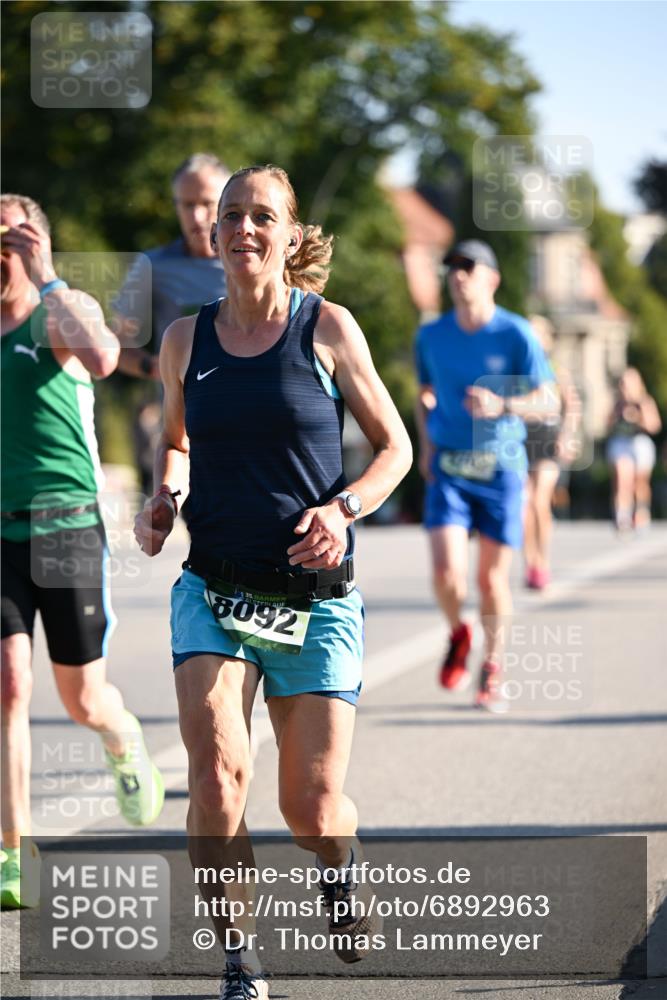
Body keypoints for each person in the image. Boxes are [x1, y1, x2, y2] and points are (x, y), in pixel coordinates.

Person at [133, 164, 412, 999]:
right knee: (217, 777)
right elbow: (176, 441)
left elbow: (394, 446)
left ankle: (339, 863)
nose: (243, 230)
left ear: (290, 237)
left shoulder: (326, 327)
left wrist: (344, 510)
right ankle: (240, 959)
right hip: (213, 587)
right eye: (230, 216)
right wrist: (163, 494)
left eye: (262, 217)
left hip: (314, 600)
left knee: (312, 812)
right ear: (211, 235)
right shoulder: (186, 338)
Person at [0, 194, 164, 910]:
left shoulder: (60, 312)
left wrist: (48, 275)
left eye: (11, 235)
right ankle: (14, 853)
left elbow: (101, 358)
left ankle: (121, 734)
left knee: (82, 698)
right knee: (9, 682)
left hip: (65, 528)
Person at [415, 239, 556, 713]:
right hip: (450, 465)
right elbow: (424, 392)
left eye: (469, 267)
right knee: (445, 573)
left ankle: (492, 666)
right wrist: (426, 446)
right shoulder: (431, 335)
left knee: (491, 579)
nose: (458, 275)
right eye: (452, 267)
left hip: (500, 467)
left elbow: (549, 400)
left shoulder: (516, 334)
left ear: (491, 278)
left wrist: (504, 405)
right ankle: (459, 631)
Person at [113, 153, 230, 493]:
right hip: (190, 432)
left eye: (207, 203)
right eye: (186, 204)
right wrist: (157, 367)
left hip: (256, 420)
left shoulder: (257, 260)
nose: (196, 216)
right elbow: (116, 346)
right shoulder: (152, 266)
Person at [522, 315, 581, 590]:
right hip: (520, 441)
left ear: (547, 340)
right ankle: (530, 562)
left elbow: (572, 406)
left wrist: (567, 436)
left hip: (547, 439)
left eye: (537, 334)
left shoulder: (556, 370)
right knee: (524, 505)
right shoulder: (516, 368)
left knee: (539, 501)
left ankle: (542, 562)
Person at [606, 367, 661, 531]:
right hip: (621, 442)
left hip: (639, 442)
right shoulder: (618, 404)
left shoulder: (645, 401)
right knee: (622, 477)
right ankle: (622, 514)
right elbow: (607, 425)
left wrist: (638, 417)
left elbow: (654, 426)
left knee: (640, 481)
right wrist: (618, 415)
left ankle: (641, 510)